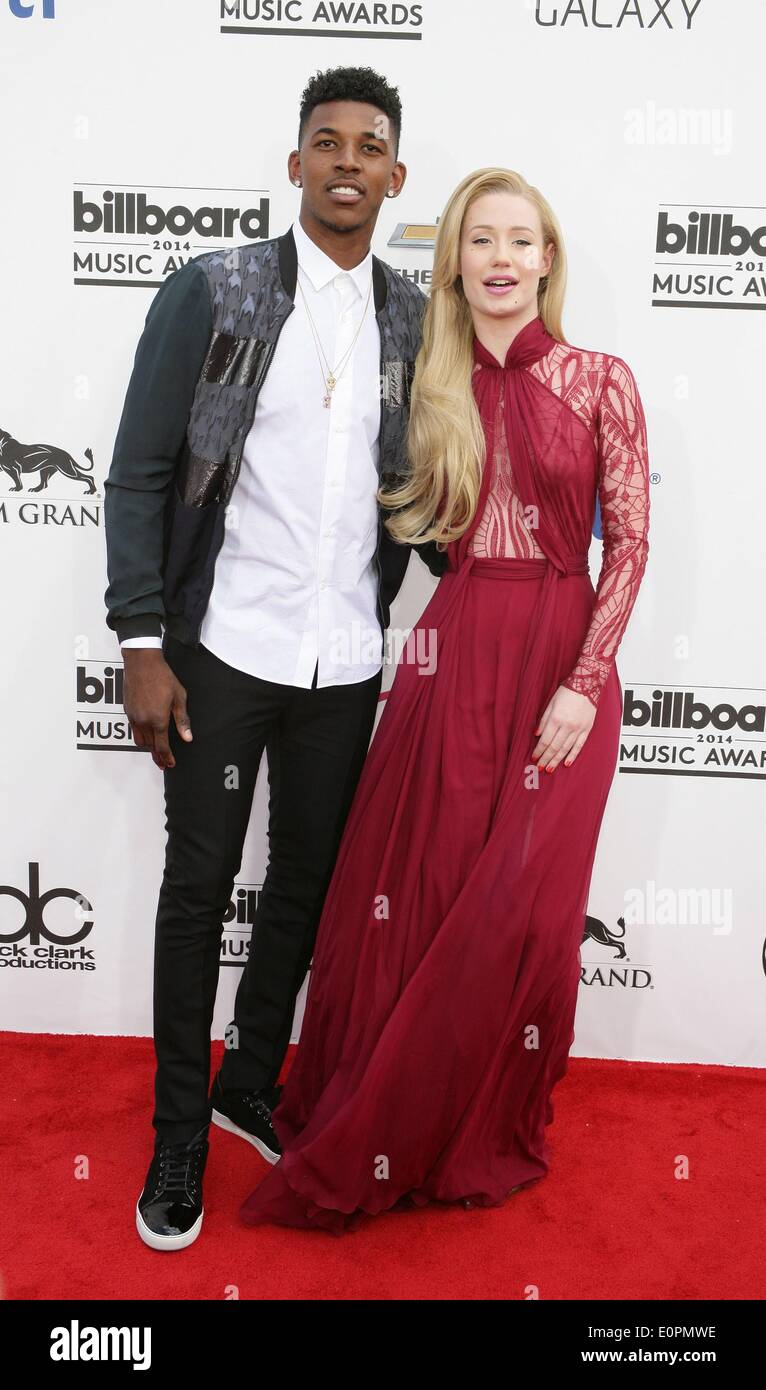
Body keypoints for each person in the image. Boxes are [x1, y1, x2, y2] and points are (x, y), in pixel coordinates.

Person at [239, 166, 651, 1234]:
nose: (502, 258)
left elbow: (631, 545)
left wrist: (581, 684)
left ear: (548, 259)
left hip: (563, 663)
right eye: (481, 241)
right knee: (415, 890)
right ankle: (388, 1122)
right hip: (451, 654)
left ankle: (476, 1119)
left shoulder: (602, 378)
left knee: (517, 912)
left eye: (522, 240)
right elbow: (391, 529)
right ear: (457, 264)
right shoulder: (426, 387)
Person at [103, 65, 446, 1251]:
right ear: (295, 162)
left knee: (301, 882)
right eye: (326, 142)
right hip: (221, 649)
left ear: (397, 177)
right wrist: (142, 643)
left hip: (344, 657)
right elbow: (141, 470)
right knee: (197, 891)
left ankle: (253, 1076)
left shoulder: (412, 316)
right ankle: (179, 1131)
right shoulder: (217, 290)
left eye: (370, 147)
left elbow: (419, 487)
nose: (348, 162)